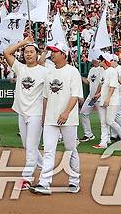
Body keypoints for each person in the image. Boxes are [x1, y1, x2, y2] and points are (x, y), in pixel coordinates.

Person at [29, 42, 82, 195]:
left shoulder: (73, 71)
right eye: (52, 52)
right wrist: (45, 115)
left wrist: (66, 112)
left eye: (55, 52)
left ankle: (74, 182)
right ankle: (44, 183)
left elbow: (75, 95)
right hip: (51, 119)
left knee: (70, 150)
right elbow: (45, 96)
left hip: (69, 119)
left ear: (64, 54)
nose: (52, 54)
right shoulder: (49, 72)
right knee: (48, 150)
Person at [3, 35, 46, 191]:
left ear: (37, 54)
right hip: (22, 111)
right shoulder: (20, 68)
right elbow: (7, 53)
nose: (28, 54)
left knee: (31, 145)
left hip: (36, 112)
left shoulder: (44, 71)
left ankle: (27, 178)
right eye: (26, 52)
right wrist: (23, 42)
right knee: (27, 145)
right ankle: (45, 166)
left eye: (31, 51)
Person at [92, 53, 121, 149]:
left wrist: (107, 98)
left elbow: (113, 86)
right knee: (103, 122)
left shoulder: (112, 71)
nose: (98, 61)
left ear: (104, 60)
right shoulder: (103, 72)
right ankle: (103, 142)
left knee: (109, 121)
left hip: (112, 100)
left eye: (100, 60)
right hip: (104, 99)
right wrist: (98, 94)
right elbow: (104, 86)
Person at [79, 59, 102, 142]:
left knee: (104, 118)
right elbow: (88, 82)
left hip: (100, 97)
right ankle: (88, 134)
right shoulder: (92, 69)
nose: (92, 60)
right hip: (91, 97)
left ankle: (110, 136)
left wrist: (97, 94)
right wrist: (80, 76)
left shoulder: (103, 69)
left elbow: (102, 83)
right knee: (83, 112)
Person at [109, 55, 121, 141]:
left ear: (115, 61)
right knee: (113, 115)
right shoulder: (109, 70)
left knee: (116, 114)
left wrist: (116, 76)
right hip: (113, 94)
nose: (110, 62)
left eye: (111, 60)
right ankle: (114, 134)